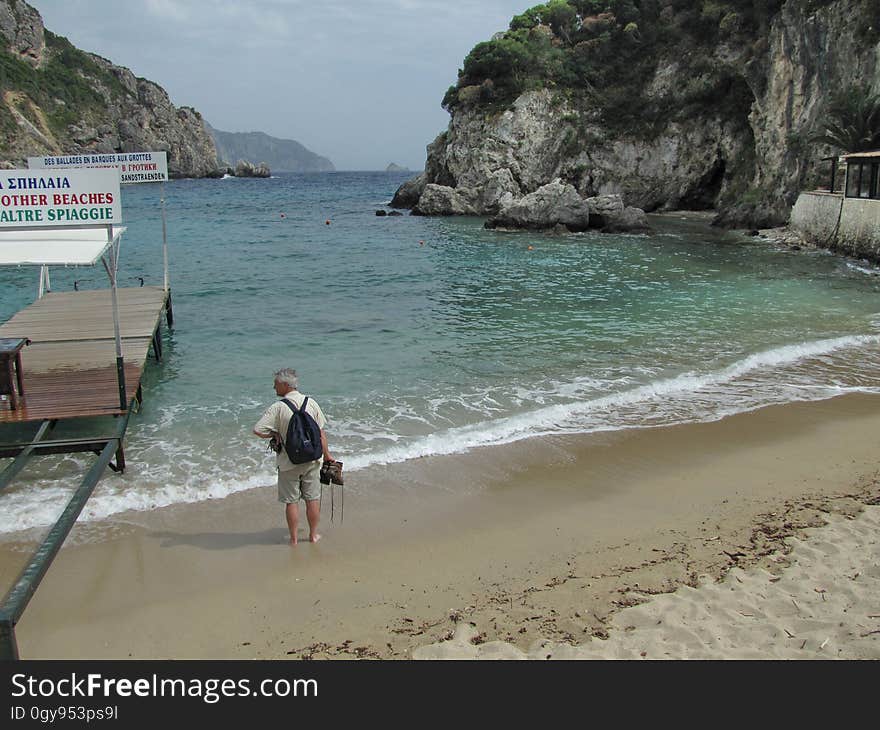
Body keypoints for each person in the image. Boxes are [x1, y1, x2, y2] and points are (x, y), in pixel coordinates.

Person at [253, 368, 334, 545]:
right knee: (312, 499)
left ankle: (294, 539)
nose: (274, 387)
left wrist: (275, 434)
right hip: (313, 459)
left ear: (284, 385)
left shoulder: (278, 407)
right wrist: (327, 456)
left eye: (276, 384)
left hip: (288, 461)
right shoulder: (310, 402)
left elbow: (258, 430)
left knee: (291, 502)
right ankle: (313, 536)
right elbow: (321, 433)